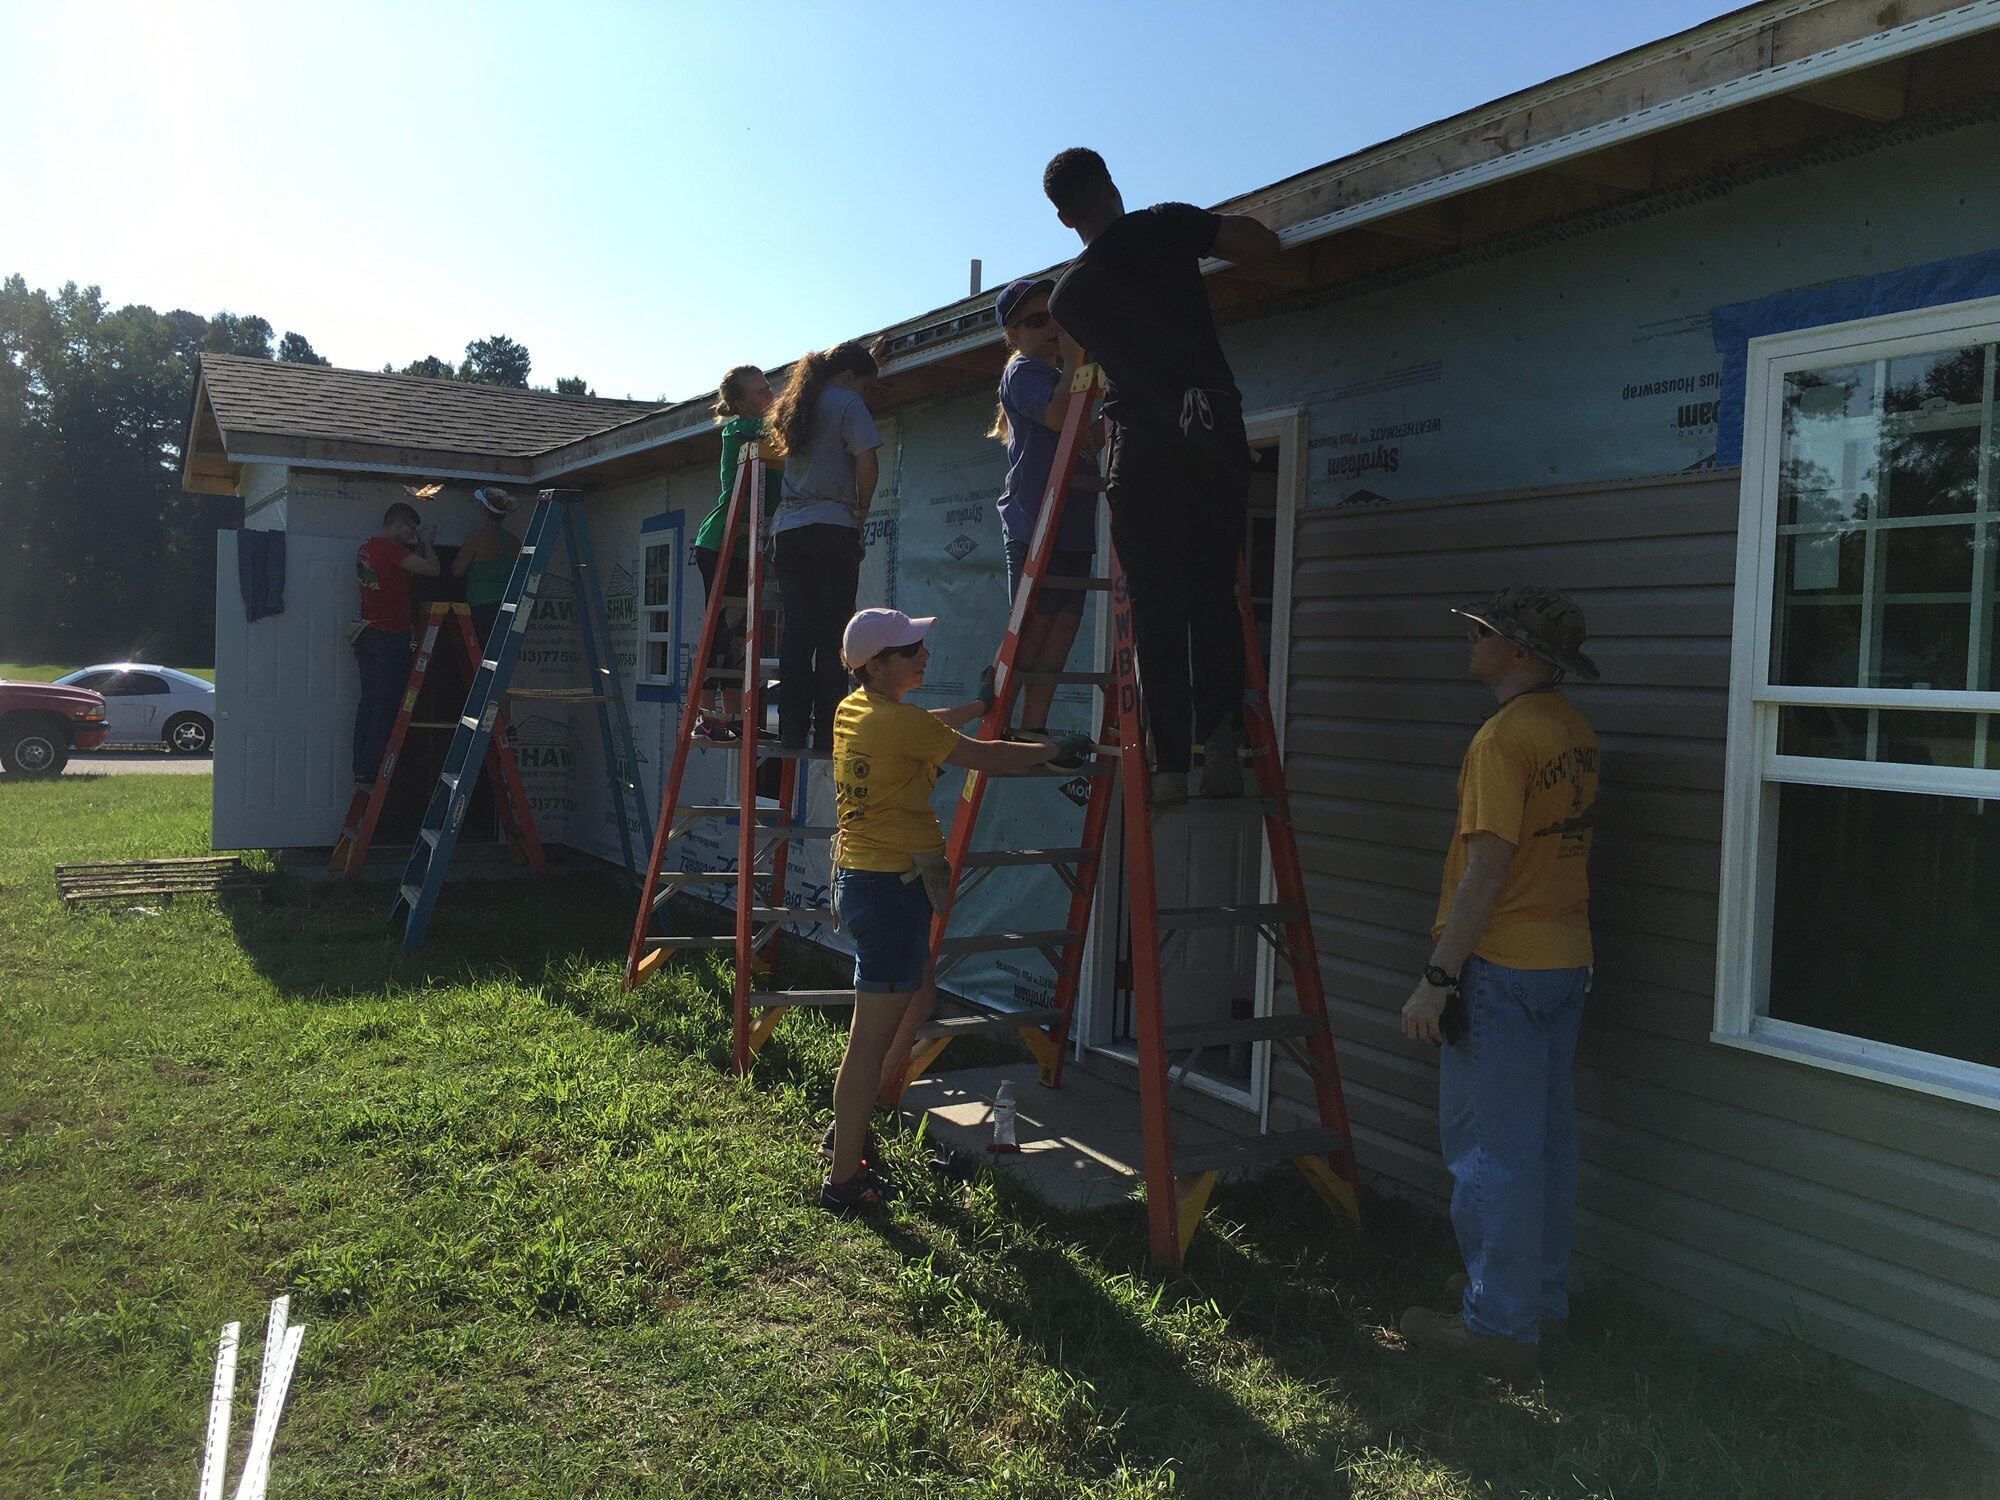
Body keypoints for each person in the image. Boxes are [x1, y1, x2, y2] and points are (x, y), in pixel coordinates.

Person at [820, 606, 1091, 1214]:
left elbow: (928, 730)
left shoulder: (856, 710)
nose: (925, 657)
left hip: (867, 883)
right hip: (889, 892)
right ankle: (843, 1177)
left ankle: (853, 1128)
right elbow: (983, 758)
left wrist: (973, 709)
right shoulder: (897, 723)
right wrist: (1054, 751)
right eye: (913, 650)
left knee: (918, 998)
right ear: (881, 664)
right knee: (867, 1042)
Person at [1397, 587, 1601, 1381]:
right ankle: (1533, 1291)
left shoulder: (1501, 739)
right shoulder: (1572, 730)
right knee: (1546, 1141)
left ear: (1519, 654)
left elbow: (1487, 870)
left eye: (1482, 634)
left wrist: (1437, 979)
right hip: (1565, 960)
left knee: (1488, 1151)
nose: (1470, 642)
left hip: (1504, 968)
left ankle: (1498, 1325)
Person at [1041, 147, 1281, 807]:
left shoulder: (1069, 296)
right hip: (1208, 424)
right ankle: (1223, 731)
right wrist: (1207, 227)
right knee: (1213, 588)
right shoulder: (1166, 223)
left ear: (1065, 219)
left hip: (1141, 443)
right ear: (1112, 187)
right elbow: (1262, 245)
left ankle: (1170, 761)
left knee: (1155, 601)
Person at [988, 276, 1099, 736]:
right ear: (1013, 335)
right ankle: (1001, 721)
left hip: (1073, 520)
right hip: (1036, 521)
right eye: (1036, 321)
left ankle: (1034, 725)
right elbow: (1058, 418)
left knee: (1063, 629)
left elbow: (1085, 434)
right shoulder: (1023, 371)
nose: (1051, 326)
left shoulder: (1068, 377)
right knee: (1032, 630)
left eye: (1055, 315)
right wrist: (1075, 358)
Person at [767, 341, 884, 751]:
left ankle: (791, 729)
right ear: (849, 378)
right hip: (833, 525)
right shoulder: (849, 405)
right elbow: (868, 462)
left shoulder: (798, 401)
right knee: (836, 634)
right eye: (868, 387)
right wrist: (862, 511)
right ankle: (829, 732)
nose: (868, 397)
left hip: (790, 529)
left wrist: (870, 360)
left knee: (799, 632)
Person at [691, 365, 783, 741]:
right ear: (741, 404)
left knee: (740, 632)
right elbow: (783, 429)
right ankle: (711, 716)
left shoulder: (769, 429)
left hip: (747, 542)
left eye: (768, 388)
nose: (770, 396)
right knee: (723, 631)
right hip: (722, 541)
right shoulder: (740, 430)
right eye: (760, 393)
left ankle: (737, 717)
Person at [352, 502, 439, 786]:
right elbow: (433, 570)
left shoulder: (367, 549)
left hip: (367, 633)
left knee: (368, 704)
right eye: (410, 529)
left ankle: (361, 767)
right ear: (398, 524)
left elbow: (399, 575)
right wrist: (426, 543)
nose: (411, 535)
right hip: (389, 637)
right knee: (385, 706)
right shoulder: (391, 550)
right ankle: (375, 768)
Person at [452, 486, 520, 648]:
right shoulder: (514, 541)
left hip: (481, 605)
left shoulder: (477, 537)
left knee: (482, 652)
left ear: (483, 508)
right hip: (509, 605)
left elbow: (457, 570)